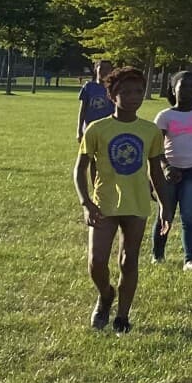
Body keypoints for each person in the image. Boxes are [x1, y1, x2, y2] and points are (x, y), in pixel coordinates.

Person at [72, 65, 167, 333]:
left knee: (129, 260)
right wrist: (86, 203)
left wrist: (165, 206)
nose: (134, 97)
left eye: (138, 91)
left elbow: (156, 173)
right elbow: (79, 169)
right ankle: (106, 294)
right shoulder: (97, 129)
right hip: (103, 204)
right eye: (126, 92)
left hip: (136, 204)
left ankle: (123, 317)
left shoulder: (150, 131)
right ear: (112, 95)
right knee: (97, 262)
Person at [153, 70, 192, 270]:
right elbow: (156, 148)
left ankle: (191, 259)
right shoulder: (165, 116)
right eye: (183, 86)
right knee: (165, 214)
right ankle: (158, 255)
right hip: (170, 173)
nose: (188, 90)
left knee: (189, 216)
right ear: (173, 89)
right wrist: (165, 167)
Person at [75, 58, 116, 142]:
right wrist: (79, 130)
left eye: (108, 69)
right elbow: (82, 110)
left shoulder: (114, 88)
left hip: (109, 129)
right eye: (101, 68)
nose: (105, 71)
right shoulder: (88, 87)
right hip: (90, 129)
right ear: (96, 69)